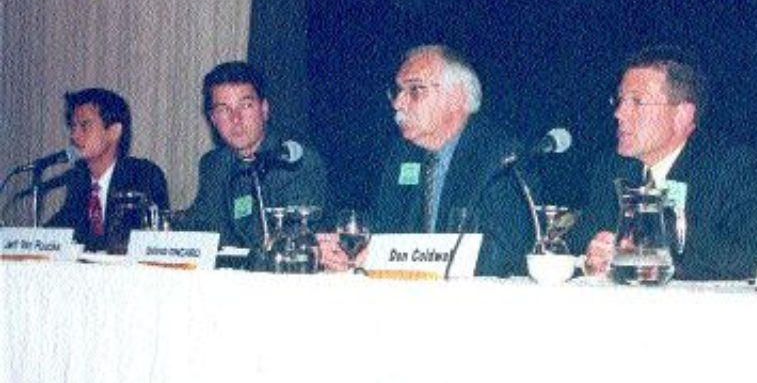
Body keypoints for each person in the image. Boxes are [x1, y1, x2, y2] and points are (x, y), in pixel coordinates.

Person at [570, 45, 757, 280]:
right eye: (620, 100)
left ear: (682, 115)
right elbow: (576, 246)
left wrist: (656, 243)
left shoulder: (734, 167)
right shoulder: (611, 167)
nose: (620, 113)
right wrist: (593, 254)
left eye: (637, 102)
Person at [322, 44, 535, 276]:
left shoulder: (500, 156)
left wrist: (406, 260)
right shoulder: (402, 153)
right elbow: (384, 229)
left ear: (456, 97)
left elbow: (507, 253)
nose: (398, 103)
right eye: (397, 91)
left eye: (415, 90)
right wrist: (349, 253)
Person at [179, 61, 327, 248]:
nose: (236, 119)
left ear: (264, 109)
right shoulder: (214, 164)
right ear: (213, 120)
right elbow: (200, 227)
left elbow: (293, 239)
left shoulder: (295, 160)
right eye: (224, 109)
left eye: (246, 105)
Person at [47, 88, 169, 251]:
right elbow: (61, 228)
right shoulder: (79, 179)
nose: (74, 136)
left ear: (114, 131)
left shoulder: (144, 175)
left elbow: (149, 240)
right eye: (73, 126)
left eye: (84, 125)